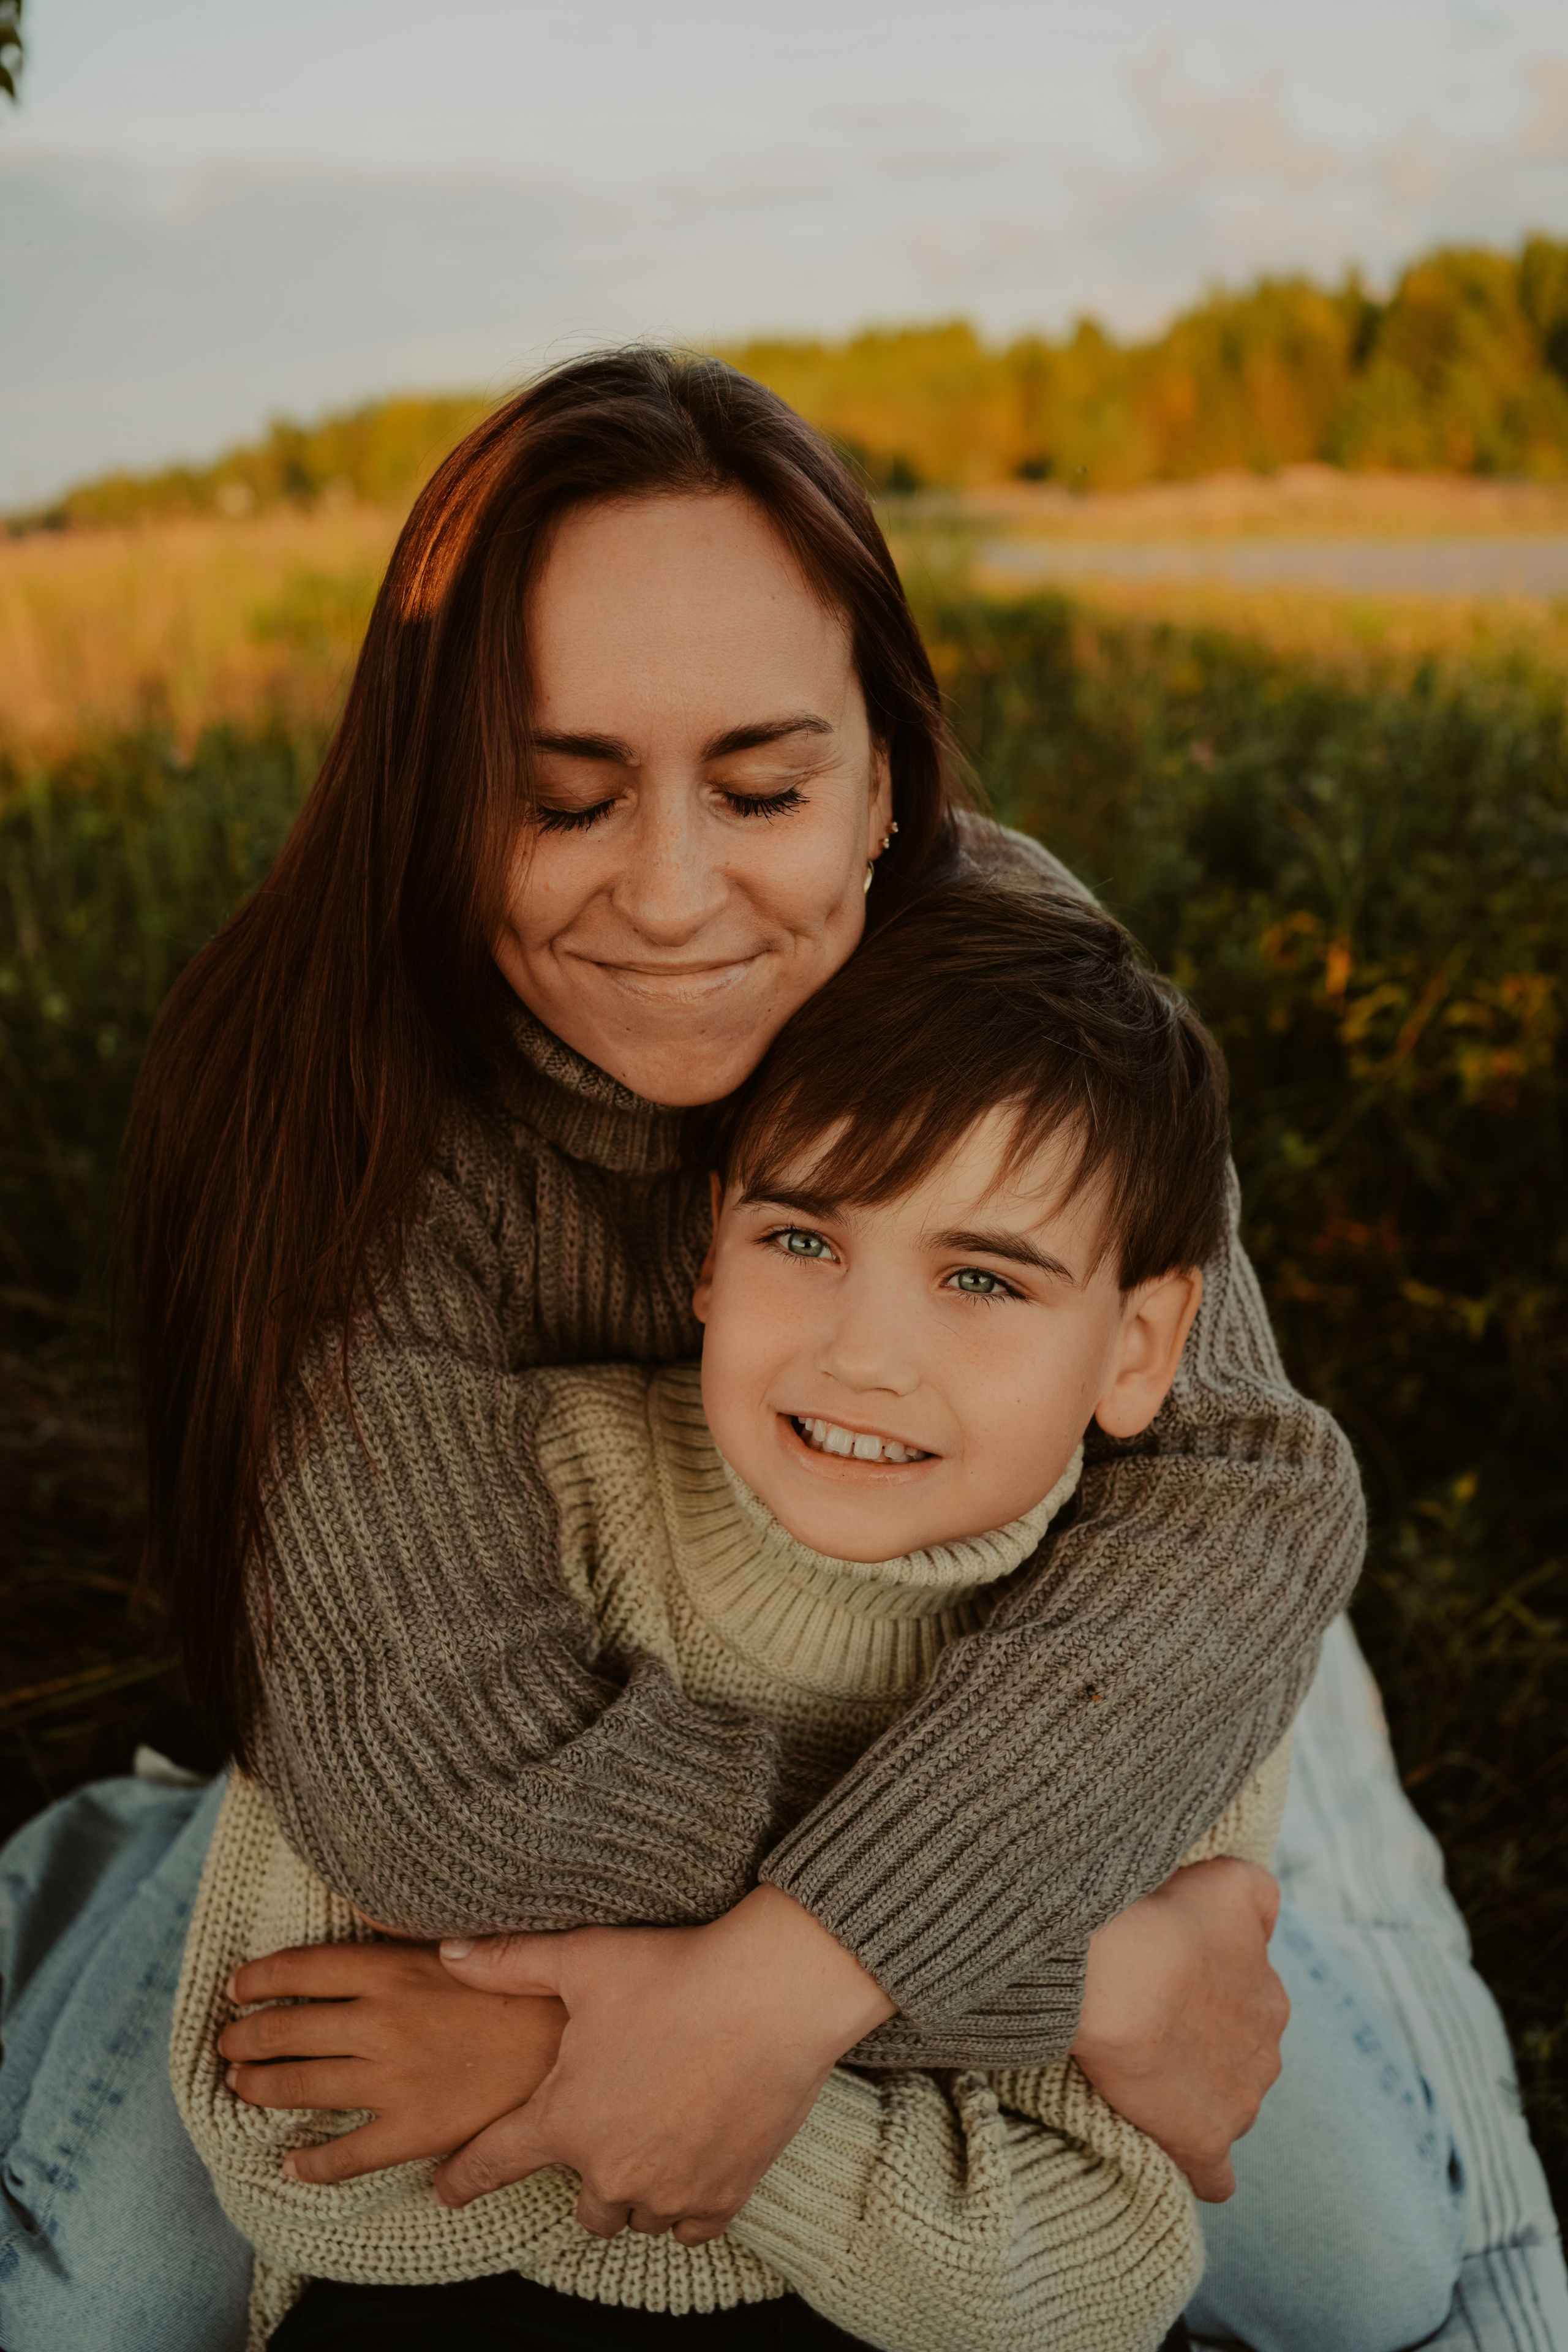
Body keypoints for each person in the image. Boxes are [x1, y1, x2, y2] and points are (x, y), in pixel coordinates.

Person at [0, 351, 1374, 2351]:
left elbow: (1243, 1480)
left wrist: (785, 1986)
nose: (667, 892)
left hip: (989, 1697)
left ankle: (1355, 1843)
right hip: (425, 1729)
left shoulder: (1003, 960)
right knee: (91, 2310)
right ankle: (152, 1843)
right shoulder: (311, 1086)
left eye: (763, 784)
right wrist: (1086, 1968)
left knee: (1384, 2275)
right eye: (563, 796)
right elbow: (459, 1804)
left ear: (894, 776)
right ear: (437, 789)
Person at [175, 877, 1294, 2352]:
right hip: (455, 2310)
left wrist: (562, 2057)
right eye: (804, 1242)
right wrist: (1024, 2001)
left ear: (1141, 1346)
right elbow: (293, 2135)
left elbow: (1094, 2271)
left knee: (1379, 2277)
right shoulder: (532, 1506)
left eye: (978, 1278)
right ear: (710, 1247)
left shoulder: (1139, 1660)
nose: (865, 1356)